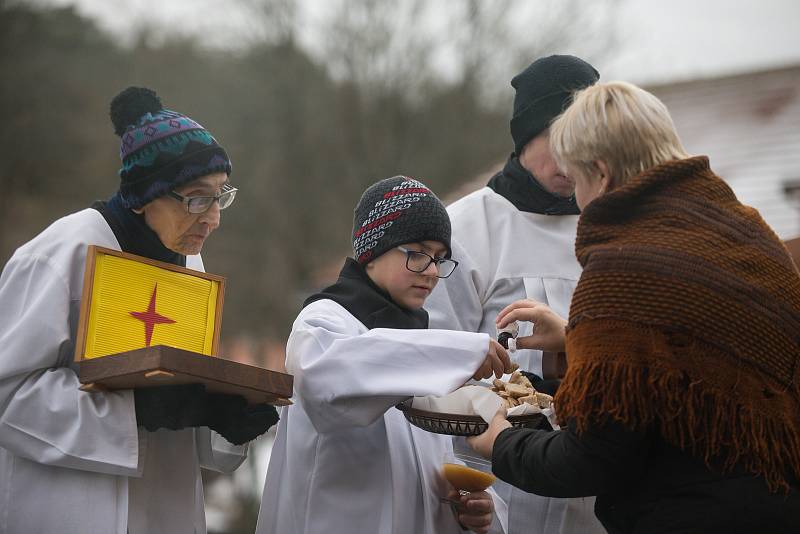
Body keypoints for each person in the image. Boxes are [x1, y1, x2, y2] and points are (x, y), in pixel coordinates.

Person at [467, 81, 800, 533]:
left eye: (577, 183)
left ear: (601, 174)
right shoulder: (750, 233)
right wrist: (580, 338)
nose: (578, 203)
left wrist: (500, 441)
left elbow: (593, 460)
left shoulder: (622, 270)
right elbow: (701, 355)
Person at [0, 86, 279, 533]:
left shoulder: (190, 263)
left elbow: (179, 397)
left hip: (166, 508)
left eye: (221, 195)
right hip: (67, 509)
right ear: (147, 194)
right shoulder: (57, 256)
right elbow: (8, 395)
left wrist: (219, 415)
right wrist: (137, 413)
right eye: (196, 198)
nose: (213, 218)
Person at [256, 176, 513, 534]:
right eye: (418, 254)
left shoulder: (423, 352)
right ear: (372, 252)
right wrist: (460, 351)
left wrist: (475, 511)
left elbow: (426, 473)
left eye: (440, 259)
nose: (433, 272)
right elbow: (327, 383)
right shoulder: (322, 323)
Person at [426, 54, 606, 533]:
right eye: (558, 139)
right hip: (494, 480)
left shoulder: (608, 228)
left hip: (592, 483)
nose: (572, 159)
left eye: (584, 143)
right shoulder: (466, 227)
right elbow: (435, 359)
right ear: (526, 134)